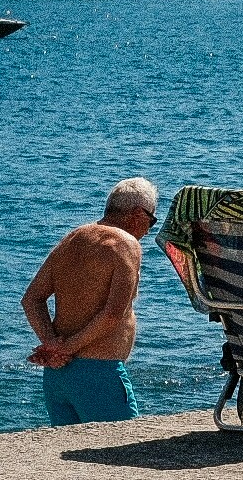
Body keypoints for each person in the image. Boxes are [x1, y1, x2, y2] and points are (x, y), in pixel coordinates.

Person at [22, 178, 155, 426]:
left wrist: (52, 345)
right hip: (99, 374)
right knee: (122, 455)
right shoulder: (126, 244)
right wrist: (68, 347)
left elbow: (31, 299)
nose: (148, 230)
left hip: (57, 375)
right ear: (138, 215)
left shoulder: (73, 238)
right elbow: (114, 313)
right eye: (152, 220)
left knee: (72, 458)